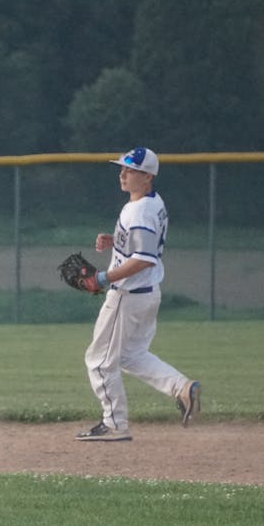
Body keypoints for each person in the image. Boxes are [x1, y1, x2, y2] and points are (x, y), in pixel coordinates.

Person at [76, 147, 201, 442]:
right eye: (121, 168)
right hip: (146, 295)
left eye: (129, 170)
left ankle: (114, 424)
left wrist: (103, 277)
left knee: (99, 360)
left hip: (127, 296)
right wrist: (116, 242)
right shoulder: (150, 202)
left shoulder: (139, 210)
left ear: (147, 176)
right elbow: (141, 245)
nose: (122, 174)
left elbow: (144, 258)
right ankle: (182, 388)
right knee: (131, 356)